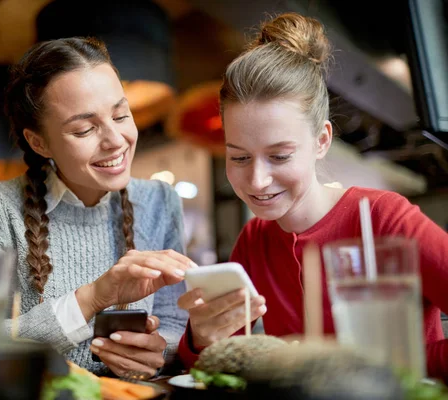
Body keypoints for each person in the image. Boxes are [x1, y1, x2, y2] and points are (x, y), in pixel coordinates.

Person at [177, 12, 448, 381]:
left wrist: (385, 364)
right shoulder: (254, 242)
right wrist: (201, 338)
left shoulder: (385, 218)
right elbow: (223, 369)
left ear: (321, 140)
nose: (256, 181)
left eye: (280, 156)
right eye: (238, 157)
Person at [0, 37, 195, 376]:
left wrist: (159, 351)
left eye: (121, 115)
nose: (115, 140)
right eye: (84, 129)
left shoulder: (159, 200)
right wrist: (92, 298)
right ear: (39, 142)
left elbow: (174, 321)